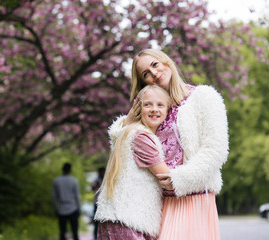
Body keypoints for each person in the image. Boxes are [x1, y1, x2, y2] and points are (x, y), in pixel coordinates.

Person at [109, 49, 229, 240]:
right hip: (158, 204)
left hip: (193, 199)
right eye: (146, 74)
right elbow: (126, 147)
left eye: (155, 64)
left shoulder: (204, 97)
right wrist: (128, 123)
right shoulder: (153, 108)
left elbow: (215, 150)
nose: (154, 73)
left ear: (166, 62)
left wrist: (179, 179)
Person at [95, 85, 173, 240]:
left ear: (167, 110)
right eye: (147, 104)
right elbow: (169, 180)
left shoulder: (131, 133)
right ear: (138, 108)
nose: (154, 109)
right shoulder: (142, 138)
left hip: (120, 218)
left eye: (160, 105)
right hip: (128, 221)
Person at [52, 163, 81, 240]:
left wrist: (56, 208)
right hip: (73, 207)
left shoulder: (56, 181)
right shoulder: (73, 181)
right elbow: (77, 196)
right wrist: (79, 208)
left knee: (62, 231)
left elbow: (54, 197)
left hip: (61, 208)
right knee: (75, 232)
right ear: (70, 170)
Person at [91, 167, 105, 240]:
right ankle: (96, 237)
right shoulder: (96, 180)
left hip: (105, 204)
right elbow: (92, 187)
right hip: (97, 203)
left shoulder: (106, 180)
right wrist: (97, 185)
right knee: (96, 222)